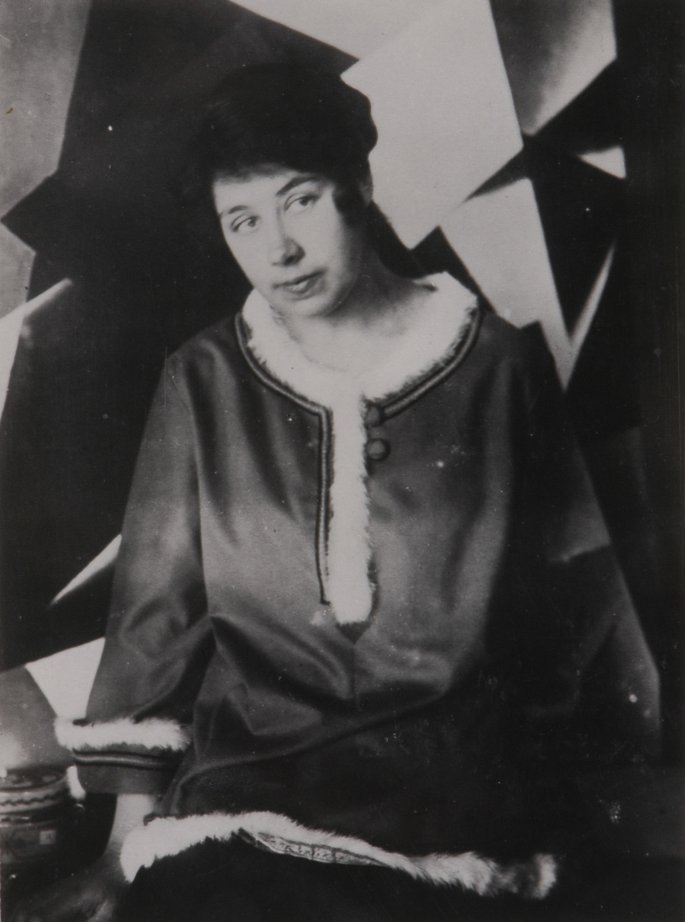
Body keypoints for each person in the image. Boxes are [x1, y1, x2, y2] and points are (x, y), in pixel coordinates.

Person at [13, 63, 658, 922]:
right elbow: (154, 619)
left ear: (359, 186)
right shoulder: (204, 379)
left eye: (301, 200)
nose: (277, 249)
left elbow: (565, 606)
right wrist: (121, 857)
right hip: (247, 790)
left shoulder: (497, 368)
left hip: (453, 796)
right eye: (243, 220)